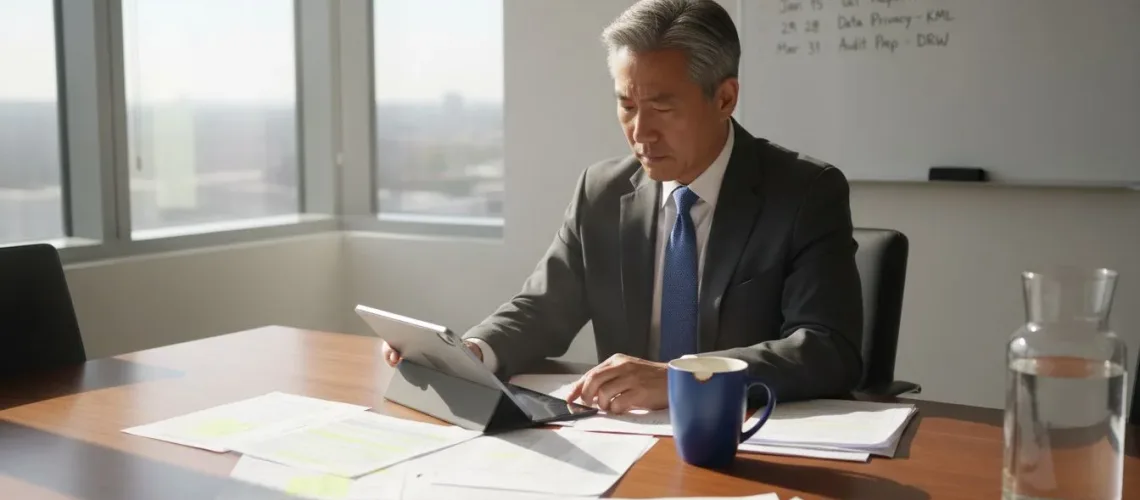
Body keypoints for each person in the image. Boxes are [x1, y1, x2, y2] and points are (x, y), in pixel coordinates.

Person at [383, 0, 863, 414]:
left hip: (745, 438)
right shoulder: (602, 191)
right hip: (623, 434)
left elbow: (827, 349)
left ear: (725, 98)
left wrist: (684, 378)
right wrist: (470, 352)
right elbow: (543, 307)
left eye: (662, 107)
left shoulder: (804, 193)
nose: (640, 132)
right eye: (627, 106)